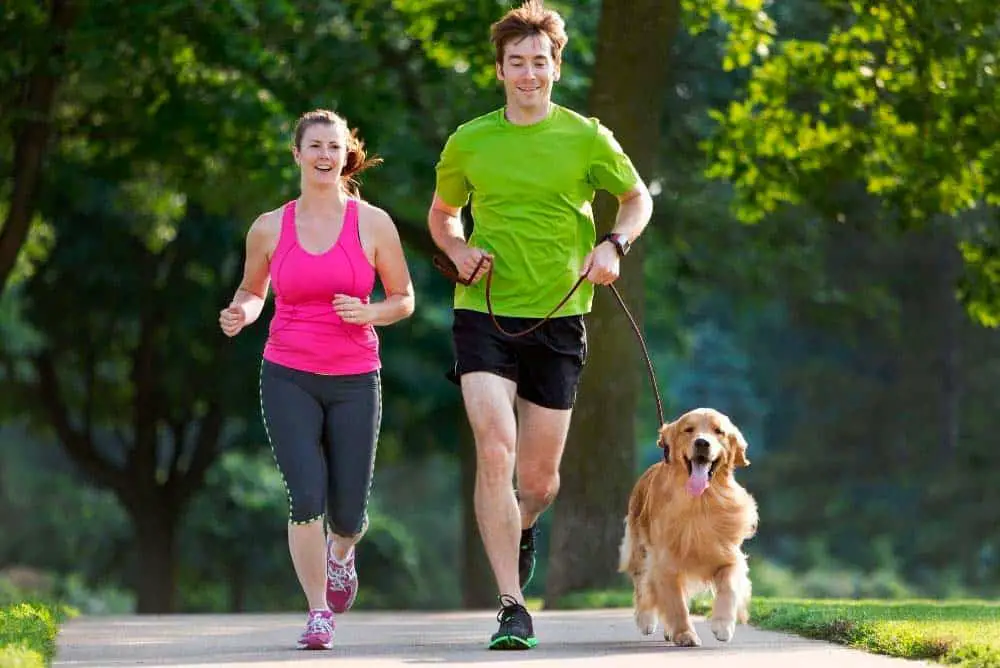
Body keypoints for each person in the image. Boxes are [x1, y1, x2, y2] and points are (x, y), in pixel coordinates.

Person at [426, 0, 653, 651]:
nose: (529, 74)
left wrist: (613, 245)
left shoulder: (586, 137)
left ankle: (520, 526)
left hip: (560, 317)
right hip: (484, 314)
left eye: (539, 62)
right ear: (499, 70)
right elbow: (442, 214)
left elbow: (638, 198)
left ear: (556, 66)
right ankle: (511, 606)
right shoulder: (470, 140)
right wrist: (459, 248)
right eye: (516, 63)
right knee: (494, 447)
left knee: (537, 482)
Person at [219, 109, 415, 650]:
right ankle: (317, 611)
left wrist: (370, 313)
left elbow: (404, 298)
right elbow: (252, 290)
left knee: (348, 513)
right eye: (315, 146)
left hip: (356, 377)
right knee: (305, 495)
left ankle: (342, 556)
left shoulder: (373, 223)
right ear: (298, 154)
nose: (325, 155)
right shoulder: (268, 226)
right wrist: (242, 312)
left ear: (345, 153)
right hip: (287, 373)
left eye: (334, 146)